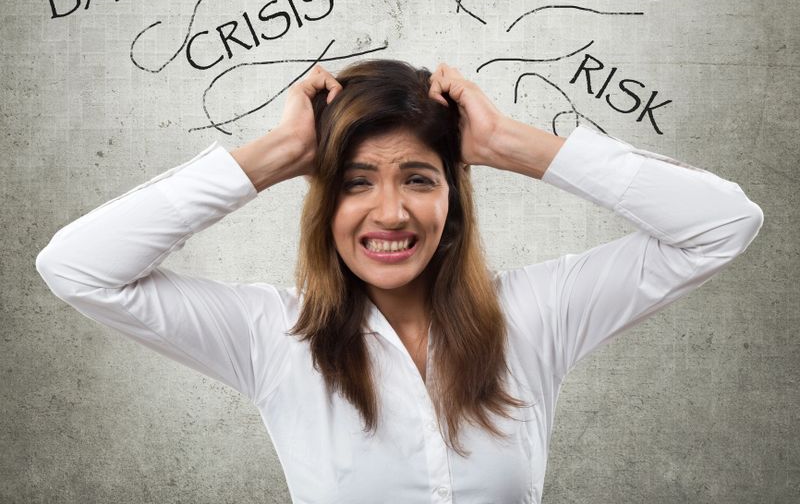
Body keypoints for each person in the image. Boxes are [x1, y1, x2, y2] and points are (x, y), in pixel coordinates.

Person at [36, 60, 763, 504]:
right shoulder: (273, 339)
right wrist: (274, 153)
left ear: (452, 200)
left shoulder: (536, 317)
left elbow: (722, 224)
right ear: (324, 205)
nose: (390, 212)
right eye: (355, 183)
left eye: (418, 178)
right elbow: (78, 268)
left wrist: (512, 144)